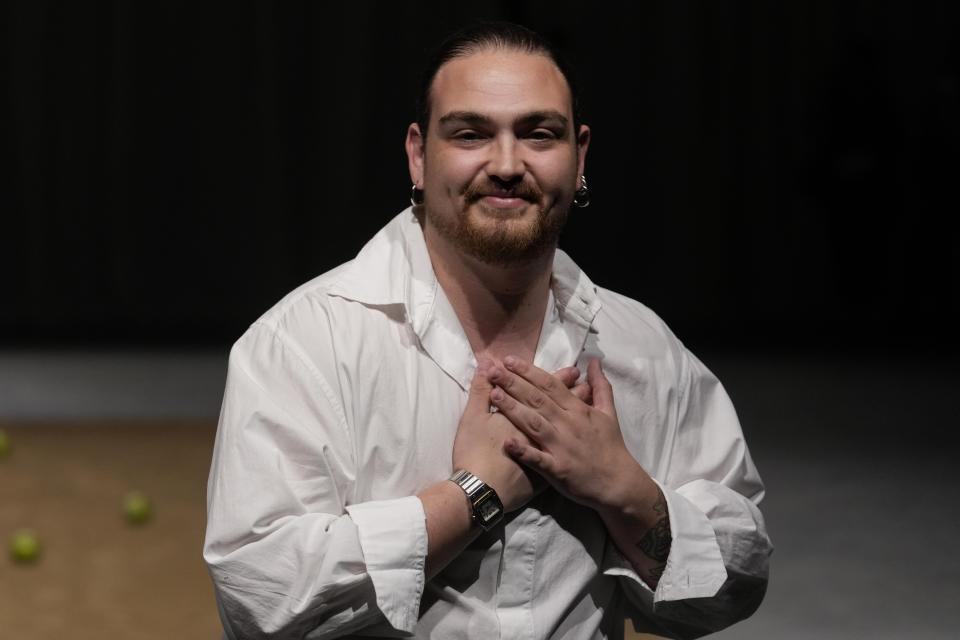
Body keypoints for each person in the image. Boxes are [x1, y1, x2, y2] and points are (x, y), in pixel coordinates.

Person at [203, 21, 772, 640]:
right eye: (471, 133)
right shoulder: (306, 342)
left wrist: (622, 488)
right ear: (419, 156)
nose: (506, 164)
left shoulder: (641, 347)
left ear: (580, 156)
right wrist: (473, 495)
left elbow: (735, 580)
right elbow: (259, 597)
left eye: (539, 134)